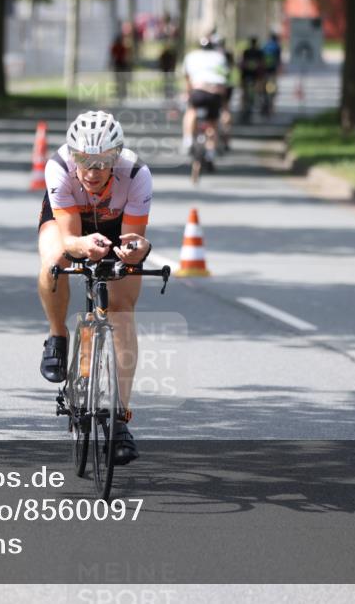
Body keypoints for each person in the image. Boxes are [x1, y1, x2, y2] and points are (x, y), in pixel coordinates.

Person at [37, 110, 153, 465]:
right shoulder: (58, 167)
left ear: (116, 156)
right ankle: (57, 336)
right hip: (71, 222)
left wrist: (135, 250)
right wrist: (81, 246)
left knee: (121, 309)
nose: (91, 171)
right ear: (74, 155)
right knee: (56, 261)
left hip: (117, 224)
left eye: (102, 162)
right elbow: (70, 237)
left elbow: (136, 238)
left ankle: (120, 421)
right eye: (84, 161)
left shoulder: (136, 175)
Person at [180, 34, 230, 164]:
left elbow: (188, 78)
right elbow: (225, 79)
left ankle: (188, 139)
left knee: (191, 111)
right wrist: (224, 104)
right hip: (215, 93)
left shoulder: (191, 56)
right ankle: (210, 153)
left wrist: (187, 93)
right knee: (212, 123)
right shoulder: (220, 57)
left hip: (198, 91)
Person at [239, 36, 264, 122]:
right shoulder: (259, 52)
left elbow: (242, 64)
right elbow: (262, 65)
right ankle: (259, 106)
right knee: (257, 92)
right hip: (256, 77)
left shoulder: (246, 51)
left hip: (246, 75)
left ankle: (243, 109)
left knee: (244, 94)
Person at [260, 32, 283, 117]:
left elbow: (260, 59)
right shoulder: (277, 46)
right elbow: (279, 60)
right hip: (272, 72)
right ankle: (271, 106)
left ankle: (264, 103)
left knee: (263, 89)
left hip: (264, 72)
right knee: (272, 89)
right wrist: (280, 70)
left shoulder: (264, 46)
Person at [110, 34, 130, 102]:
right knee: (119, 79)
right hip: (119, 64)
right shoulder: (117, 47)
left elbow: (125, 56)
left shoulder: (121, 47)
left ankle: (122, 91)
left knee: (121, 79)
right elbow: (113, 56)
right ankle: (120, 91)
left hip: (121, 64)